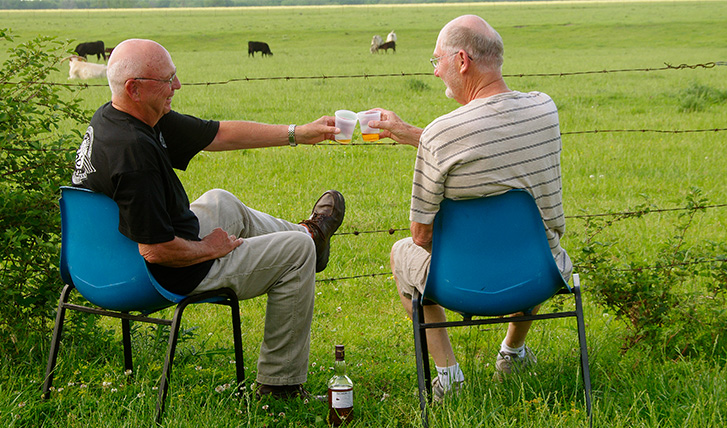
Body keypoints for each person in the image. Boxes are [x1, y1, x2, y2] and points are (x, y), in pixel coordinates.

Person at [71, 38, 346, 399]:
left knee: (221, 201)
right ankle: (280, 386)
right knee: (296, 253)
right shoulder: (133, 152)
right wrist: (208, 248)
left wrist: (298, 133)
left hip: (97, 263)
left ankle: (311, 234)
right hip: (155, 271)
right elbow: (156, 251)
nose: (178, 87)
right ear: (134, 88)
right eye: (167, 80)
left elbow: (219, 133)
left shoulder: (118, 116)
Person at [369, 15, 572, 400]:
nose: (435, 72)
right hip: (540, 272)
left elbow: (421, 235)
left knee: (402, 252)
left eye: (436, 60)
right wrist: (412, 134)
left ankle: (448, 375)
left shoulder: (441, 134)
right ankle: (512, 352)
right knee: (537, 239)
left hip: (459, 283)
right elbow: (492, 149)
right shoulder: (545, 109)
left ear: (462, 60)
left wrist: (474, 254)